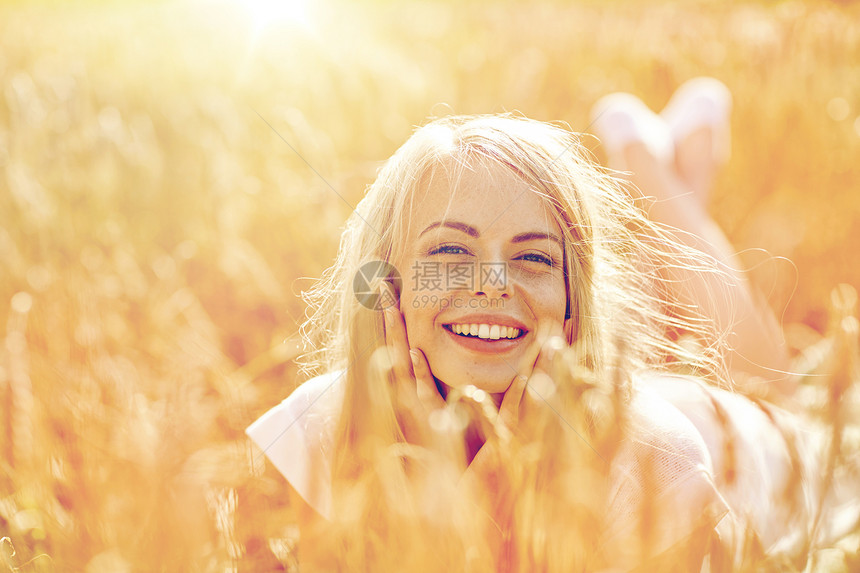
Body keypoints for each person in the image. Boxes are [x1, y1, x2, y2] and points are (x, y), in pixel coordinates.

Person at [247, 79, 847, 571]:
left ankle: (650, 168)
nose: (492, 283)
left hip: (727, 443)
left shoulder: (657, 466)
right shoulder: (308, 440)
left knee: (780, 393)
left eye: (535, 258)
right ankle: (675, 171)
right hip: (587, 384)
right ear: (385, 284)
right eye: (449, 253)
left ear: (573, 302)